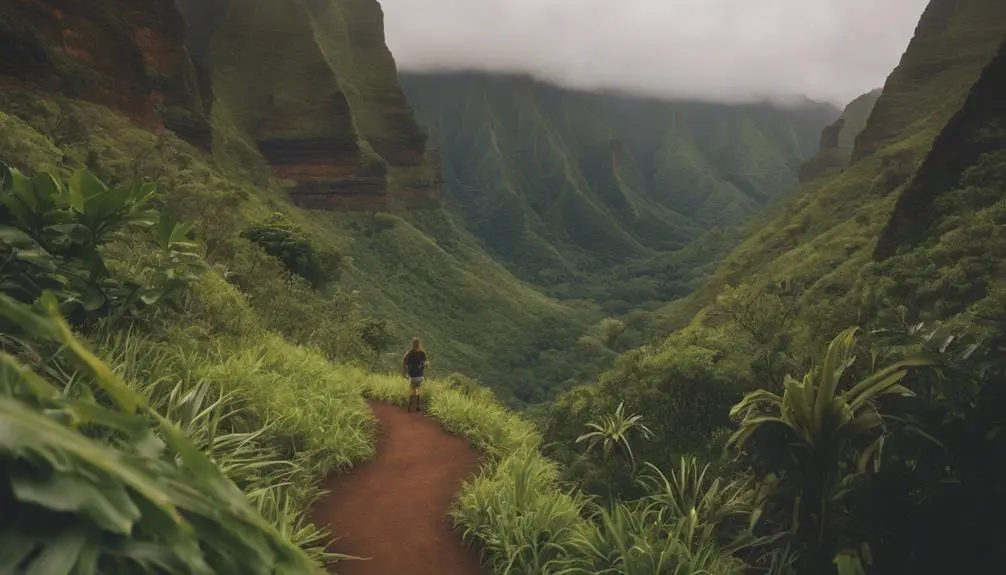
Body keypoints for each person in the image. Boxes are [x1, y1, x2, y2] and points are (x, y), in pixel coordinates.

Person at [402, 337, 429, 412]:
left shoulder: (421, 353)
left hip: (420, 375)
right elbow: (404, 361)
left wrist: (426, 364)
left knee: (416, 390)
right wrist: (405, 372)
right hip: (413, 375)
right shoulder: (409, 353)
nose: (416, 345)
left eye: (417, 344)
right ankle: (413, 405)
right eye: (415, 344)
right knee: (414, 390)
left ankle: (415, 405)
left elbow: (426, 361)